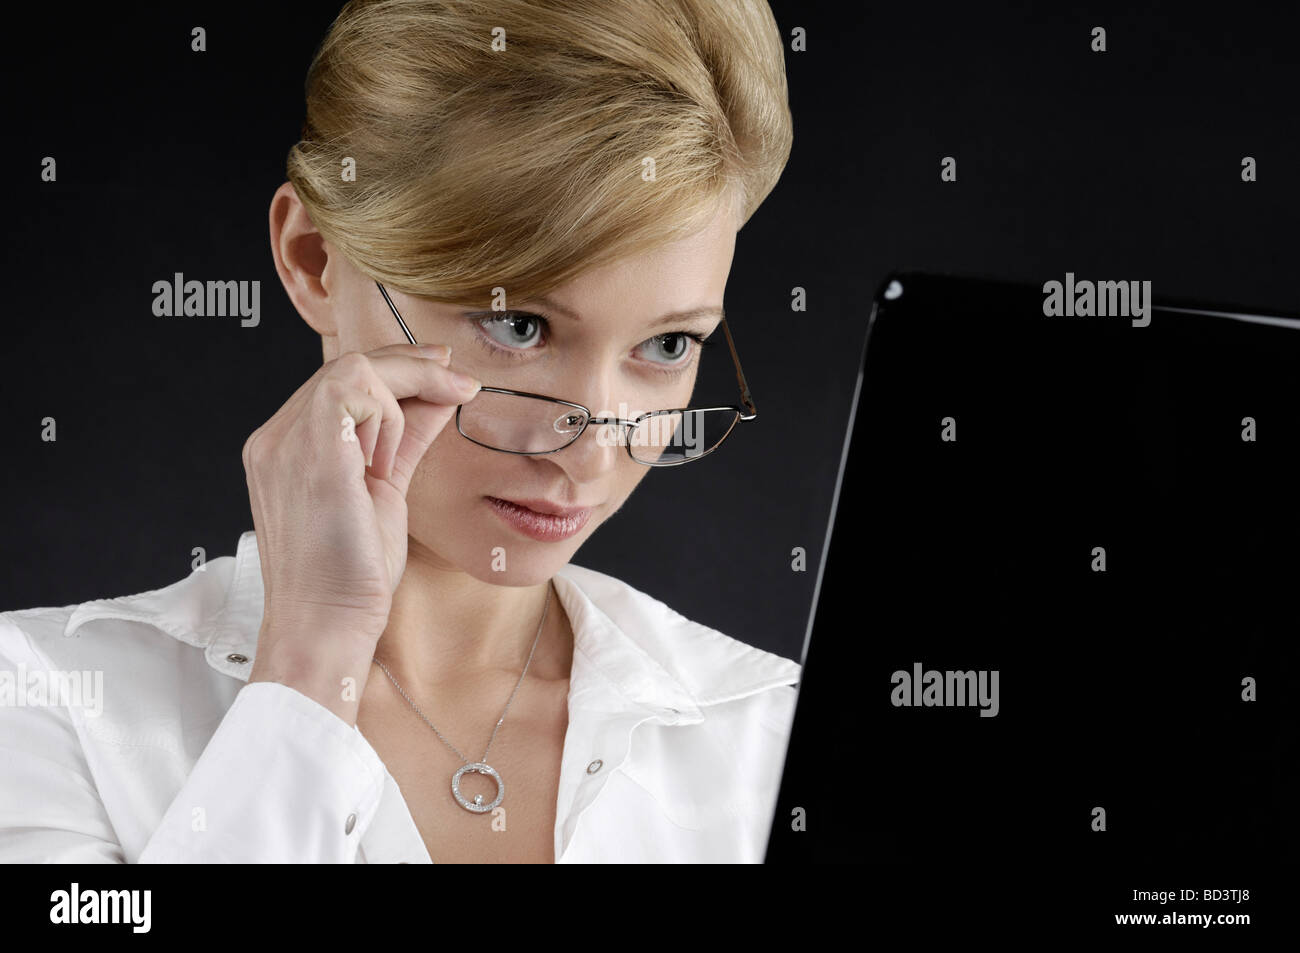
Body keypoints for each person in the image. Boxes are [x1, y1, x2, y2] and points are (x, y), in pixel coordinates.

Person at [0, 0, 797, 863]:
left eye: (667, 345)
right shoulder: (45, 706)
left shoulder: (768, 736)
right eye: (519, 326)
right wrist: (307, 670)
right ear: (313, 260)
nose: (590, 451)